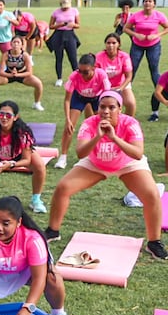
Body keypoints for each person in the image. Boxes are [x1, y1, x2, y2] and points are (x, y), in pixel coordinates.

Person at [44, 90, 168, 258]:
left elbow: (137, 153)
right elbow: (80, 153)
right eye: (102, 107)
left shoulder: (130, 123)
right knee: (63, 187)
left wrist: (114, 137)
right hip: (96, 163)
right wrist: (98, 137)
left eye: (111, 107)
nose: (106, 111)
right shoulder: (89, 123)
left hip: (128, 163)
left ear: (120, 109)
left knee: (151, 194)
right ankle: (53, 231)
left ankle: (154, 242)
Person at [55, 53, 110, 169]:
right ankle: (63, 157)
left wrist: (104, 114)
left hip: (97, 98)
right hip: (79, 97)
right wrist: (68, 119)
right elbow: (67, 101)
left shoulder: (101, 75)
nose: (82, 75)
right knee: (69, 127)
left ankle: (98, 154)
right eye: (80, 71)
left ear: (94, 68)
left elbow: (107, 97)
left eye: (86, 72)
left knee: (102, 126)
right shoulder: (74, 76)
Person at [125, 0, 168, 122]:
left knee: (154, 72)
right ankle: (124, 98)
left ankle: (157, 103)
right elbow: (125, 28)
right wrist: (136, 34)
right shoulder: (136, 16)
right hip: (137, 45)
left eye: (150, 1)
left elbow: (167, 28)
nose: (147, 3)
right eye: (145, 1)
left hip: (154, 45)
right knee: (131, 71)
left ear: (154, 4)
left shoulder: (159, 16)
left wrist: (156, 35)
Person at [0, 35, 44, 111]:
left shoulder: (25, 55)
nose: (16, 44)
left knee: (38, 83)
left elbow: (29, 72)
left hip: (22, 75)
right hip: (8, 75)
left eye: (18, 42)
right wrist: (10, 75)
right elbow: (1, 72)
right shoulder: (6, 55)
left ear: (21, 45)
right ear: (11, 44)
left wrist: (17, 75)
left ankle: (37, 103)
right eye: (14, 42)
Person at [98, 33, 136, 115]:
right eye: (108, 43)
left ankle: (126, 123)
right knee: (94, 105)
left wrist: (120, 88)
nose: (111, 45)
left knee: (131, 103)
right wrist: (105, 88)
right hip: (103, 86)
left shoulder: (124, 57)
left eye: (114, 43)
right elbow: (96, 76)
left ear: (119, 44)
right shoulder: (99, 57)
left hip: (121, 84)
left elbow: (129, 77)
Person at [47, 0, 81, 85]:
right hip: (58, 34)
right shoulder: (56, 12)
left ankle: (77, 77)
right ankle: (59, 78)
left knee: (73, 57)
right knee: (59, 57)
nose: (65, 8)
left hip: (70, 34)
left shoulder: (74, 11)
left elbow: (78, 25)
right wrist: (60, 25)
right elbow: (51, 26)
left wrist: (72, 25)